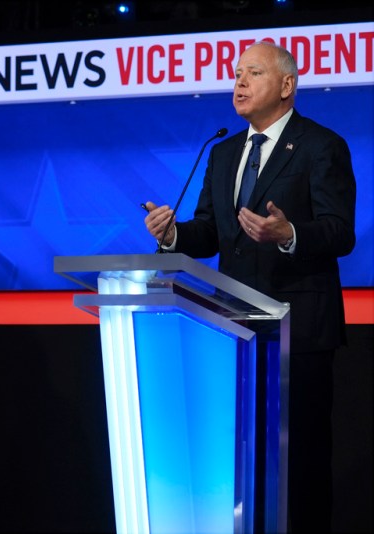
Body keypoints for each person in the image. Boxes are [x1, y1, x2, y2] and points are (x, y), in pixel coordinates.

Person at [143, 41, 356, 532]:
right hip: (233, 332)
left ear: (286, 86)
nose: (238, 82)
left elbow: (340, 231)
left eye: (252, 73)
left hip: (297, 334)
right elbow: (211, 233)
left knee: (299, 466)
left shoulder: (321, 146)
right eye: (236, 73)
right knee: (242, 462)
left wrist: (290, 234)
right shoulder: (221, 153)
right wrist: (173, 233)